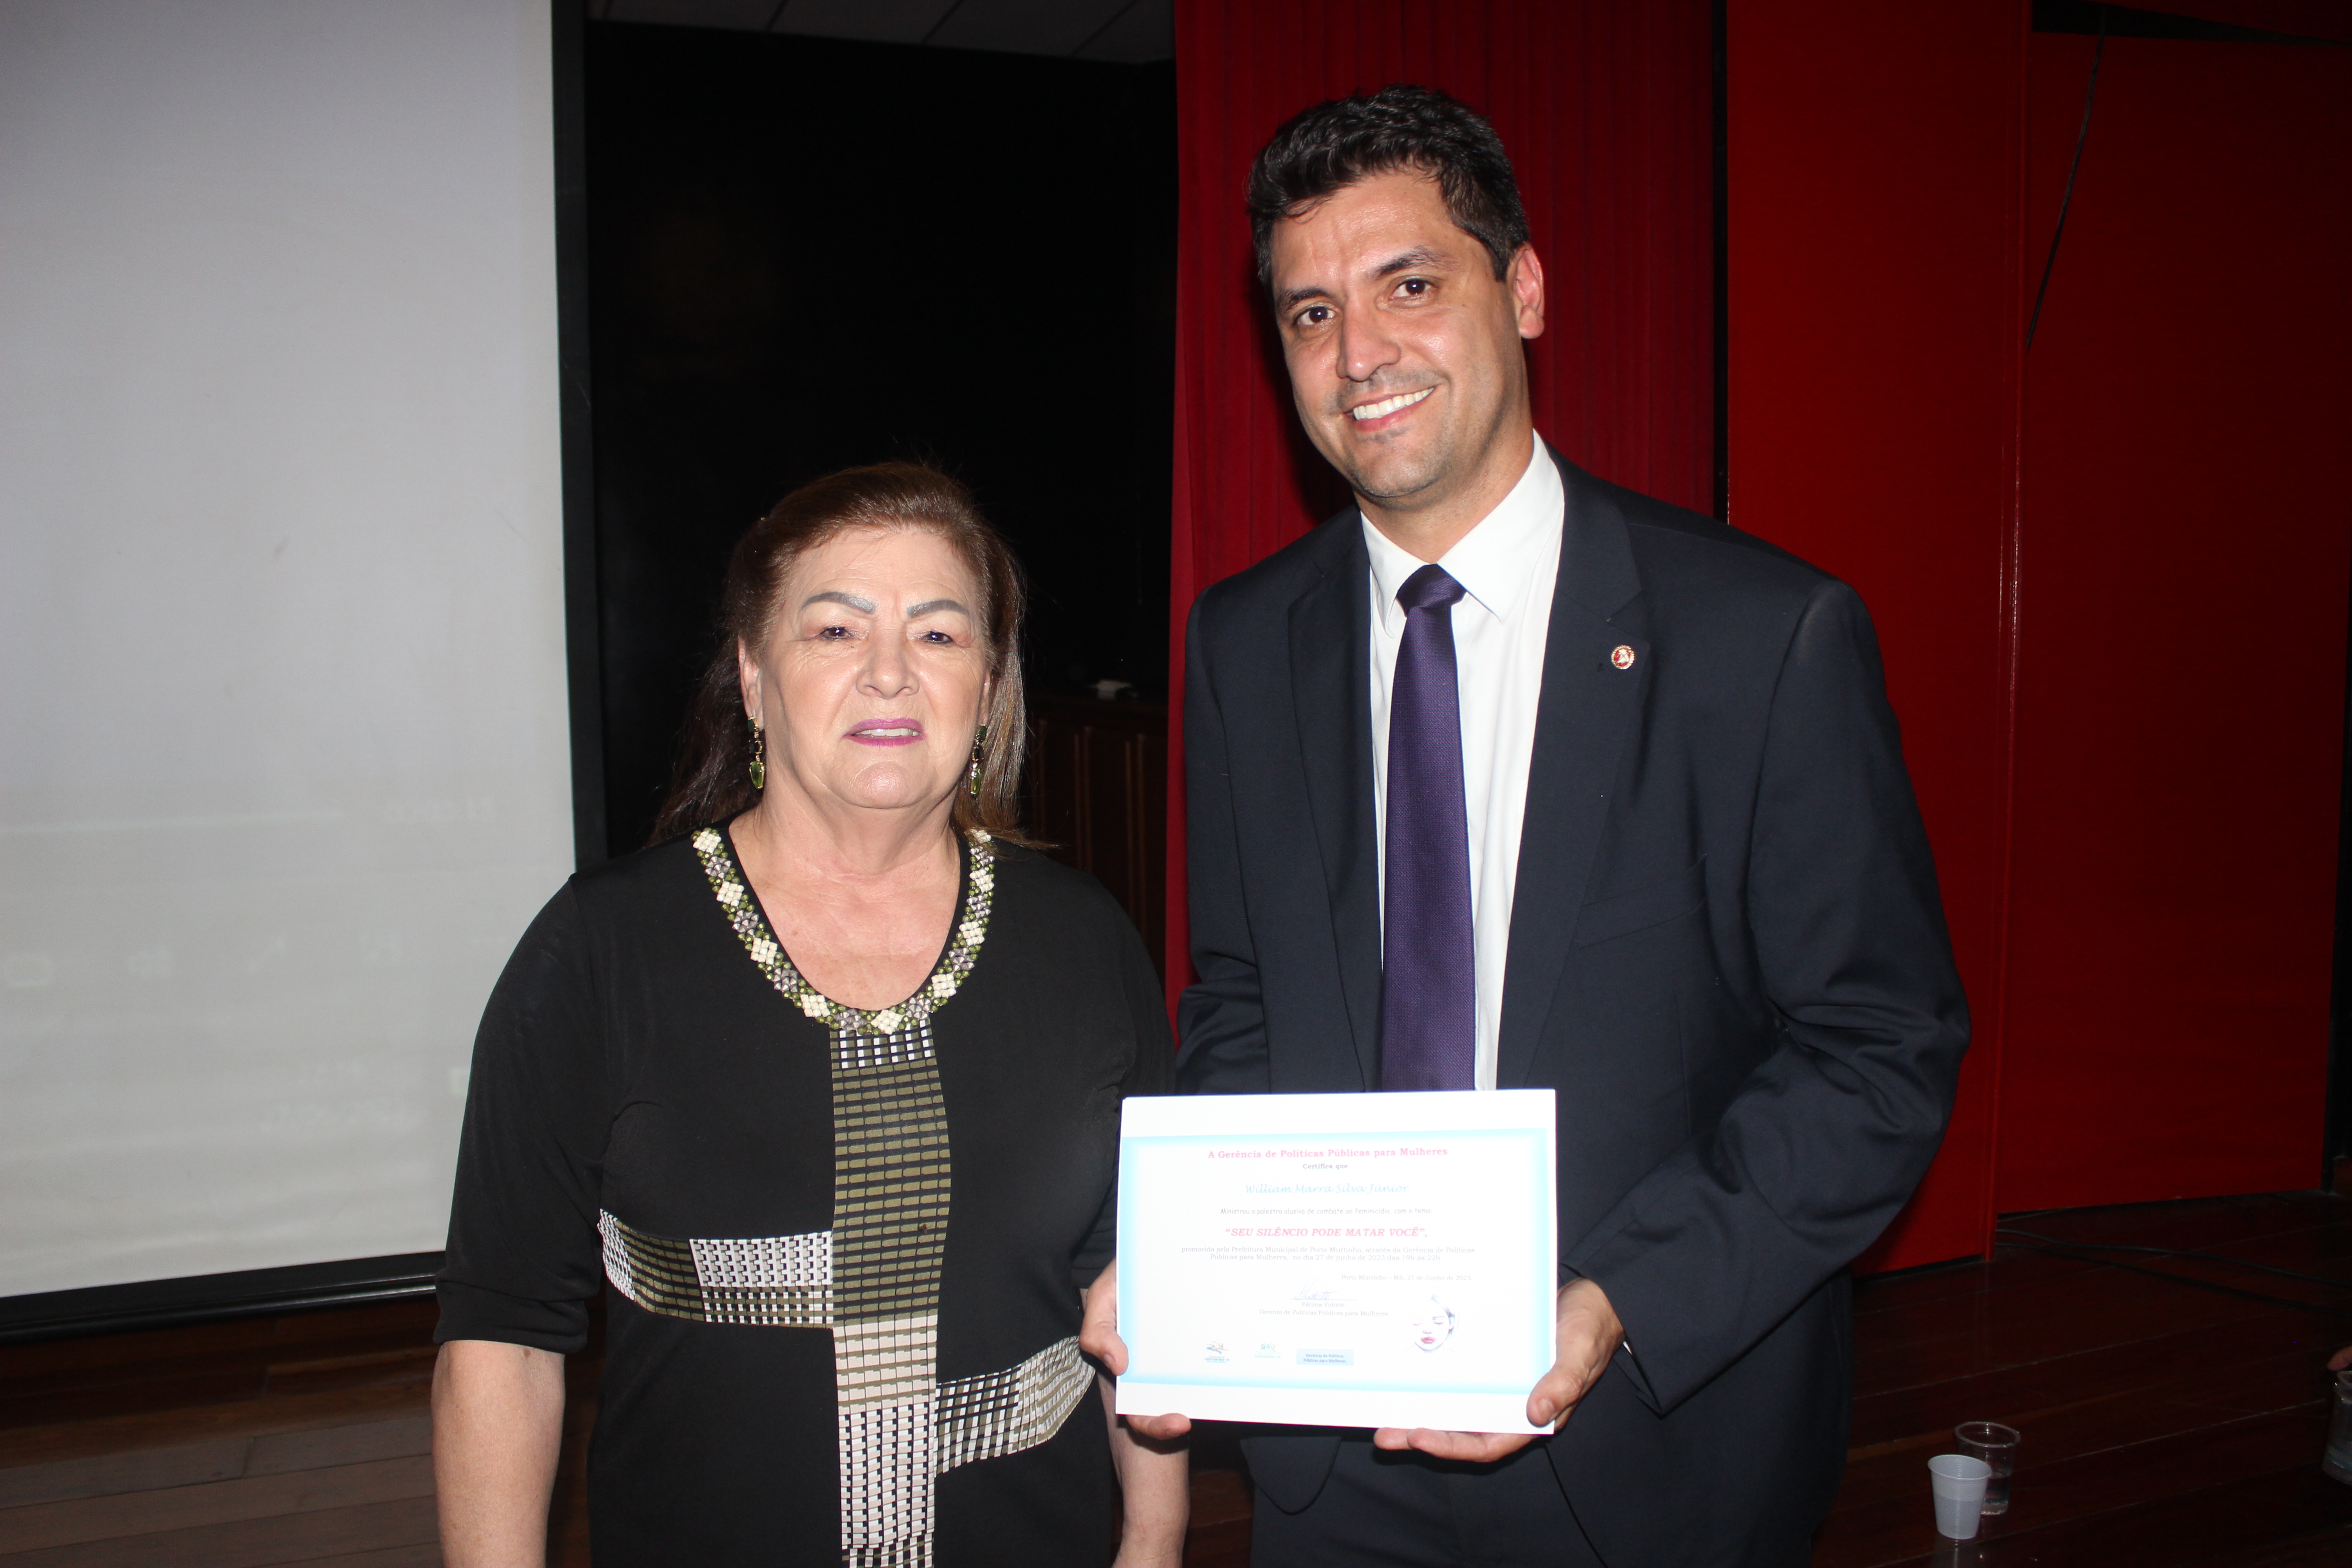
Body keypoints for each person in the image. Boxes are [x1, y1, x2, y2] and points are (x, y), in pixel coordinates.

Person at [1083, 86, 1967, 1566]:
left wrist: (1614, 1294)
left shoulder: (1762, 637)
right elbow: (1240, 1002)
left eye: (1409, 286)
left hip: (1653, 1447)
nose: (1359, 354)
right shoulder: (1240, 643)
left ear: (1528, 288)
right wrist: (1195, 1261)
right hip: (1327, 1464)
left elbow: (1880, 1055)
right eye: (1309, 313)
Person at [432, 463, 1187, 1567]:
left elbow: (1139, 1282)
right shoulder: (601, 952)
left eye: (939, 635)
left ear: (988, 684)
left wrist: (1156, 1542)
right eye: (835, 631)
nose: (890, 673)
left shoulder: (1085, 943)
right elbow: (501, 1336)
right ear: (751, 675)